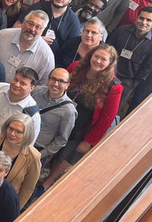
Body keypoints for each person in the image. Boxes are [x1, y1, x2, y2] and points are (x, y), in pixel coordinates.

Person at [44, 44, 123, 187]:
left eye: (103, 59)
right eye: (96, 56)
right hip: (58, 118)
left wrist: (89, 141)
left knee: (65, 155)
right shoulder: (76, 67)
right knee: (47, 148)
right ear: (91, 55)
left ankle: (47, 183)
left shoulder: (114, 87)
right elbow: (58, 84)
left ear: (110, 63)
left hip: (81, 128)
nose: (98, 61)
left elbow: (107, 118)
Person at [108, 7, 152, 111]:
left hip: (126, 82)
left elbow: (146, 68)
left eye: (148, 20)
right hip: (107, 73)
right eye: (141, 18)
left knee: (112, 110)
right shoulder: (122, 30)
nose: (144, 22)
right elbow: (108, 49)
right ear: (136, 18)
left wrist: (133, 84)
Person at [0, 10, 55, 84]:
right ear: (23, 22)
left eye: (38, 27)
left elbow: (43, 85)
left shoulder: (46, 56)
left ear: (43, 30)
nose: (32, 29)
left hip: (19, 94)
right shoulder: (2, 35)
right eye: (30, 23)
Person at [32, 68, 77, 164]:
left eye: (61, 81)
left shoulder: (69, 111)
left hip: (38, 149)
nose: (56, 84)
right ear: (48, 80)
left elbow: (62, 139)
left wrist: (42, 154)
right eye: (53, 79)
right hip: (19, 139)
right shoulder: (36, 92)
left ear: (67, 85)